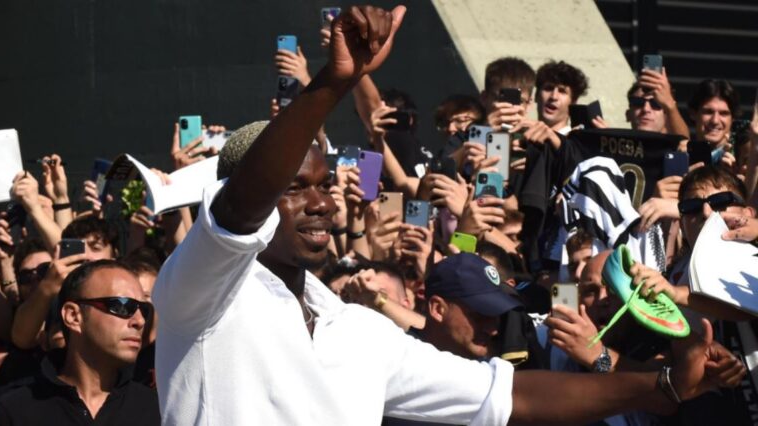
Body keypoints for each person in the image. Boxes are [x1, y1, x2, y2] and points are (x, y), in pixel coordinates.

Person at [153, 5, 744, 425]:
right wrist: (333, 83)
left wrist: (660, 385)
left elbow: (510, 397)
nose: (322, 201)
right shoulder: (200, 292)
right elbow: (242, 209)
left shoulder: (354, 330)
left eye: (324, 184)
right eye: (293, 188)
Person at [0, 260, 160, 425]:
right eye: (122, 306)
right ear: (73, 316)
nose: (139, 321)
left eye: (144, 310)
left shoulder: (158, 410)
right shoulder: (14, 413)